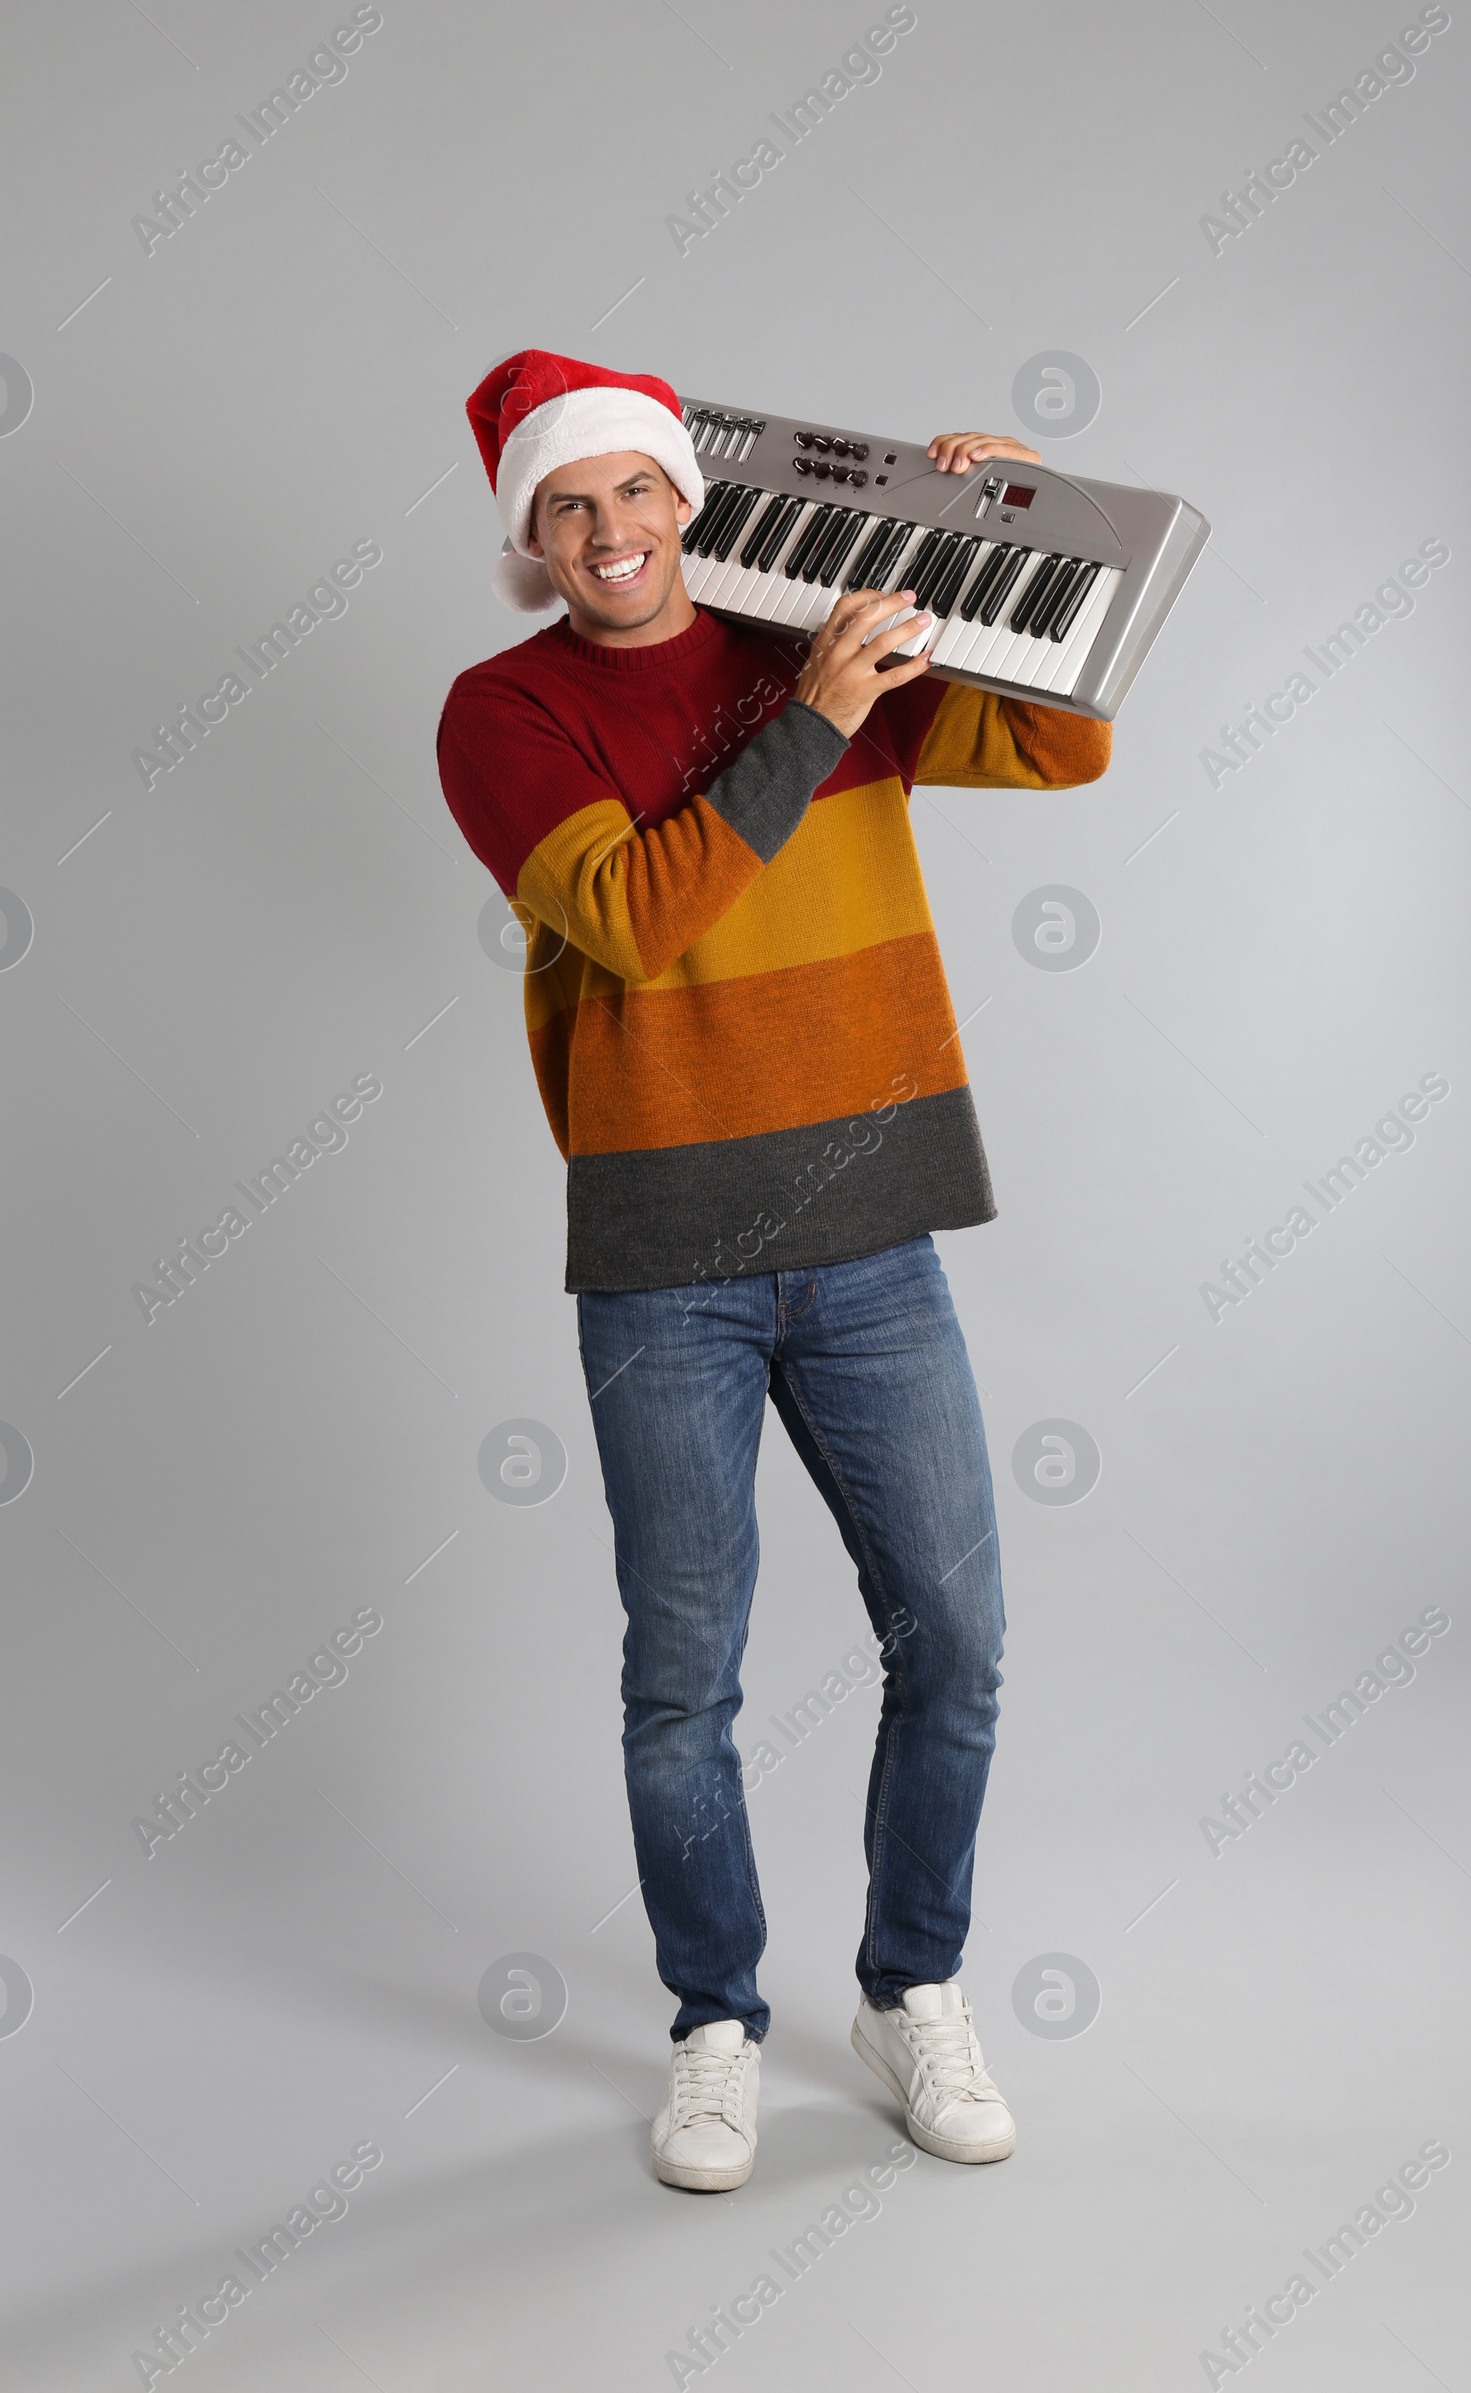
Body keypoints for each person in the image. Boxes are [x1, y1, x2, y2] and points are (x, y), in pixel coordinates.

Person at [437, 349, 1111, 2190]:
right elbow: (636, 922)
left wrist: (999, 533)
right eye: (565, 509)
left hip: (871, 1232)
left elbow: (1069, 737)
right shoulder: (499, 714)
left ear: (685, 500)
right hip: (666, 1258)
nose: (608, 532)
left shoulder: (816, 641)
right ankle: (715, 2023)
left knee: (957, 1639)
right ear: (533, 542)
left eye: (632, 493)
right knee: (685, 1680)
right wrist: (812, 710)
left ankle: (915, 1986)